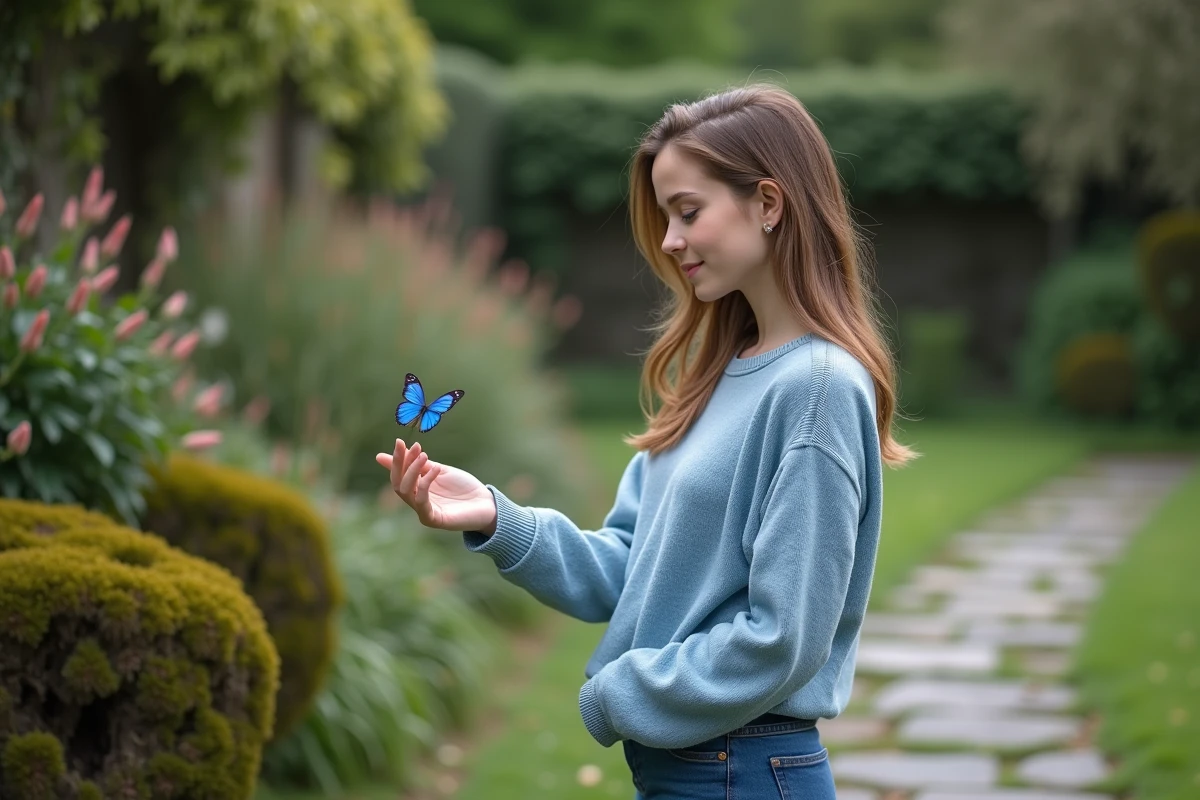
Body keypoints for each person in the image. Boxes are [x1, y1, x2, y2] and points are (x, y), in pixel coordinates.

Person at [376, 82, 917, 799]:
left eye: (688, 212)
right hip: (692, 768)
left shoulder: (817, 388)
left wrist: (623, 689)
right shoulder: (714, 376)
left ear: (768, 203)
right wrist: (497, 518)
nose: (669, 241)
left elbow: (784, 637)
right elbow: (632, 569)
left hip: (742, 769)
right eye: (666, 217)